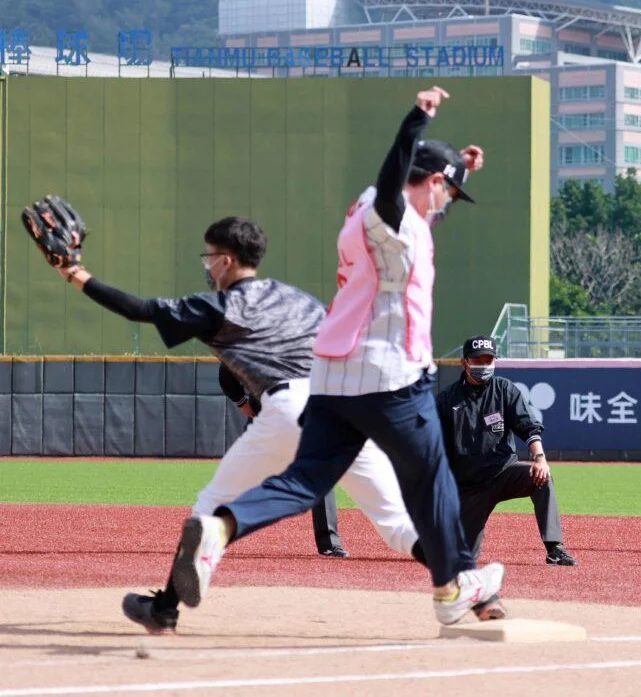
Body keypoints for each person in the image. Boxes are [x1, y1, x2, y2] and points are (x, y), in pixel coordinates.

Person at [157, 86, 505, 626]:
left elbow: (403, 187)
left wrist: (456, 164)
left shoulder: (364, 206)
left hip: (333, 376)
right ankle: (452, 589)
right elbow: (398, 186)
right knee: (432, 480)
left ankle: (221, 527)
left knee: (303, 482)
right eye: (449, 193)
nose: (448, 206)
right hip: (391, 374)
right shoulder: (392, 216)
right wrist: (416, 120)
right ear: (431, 181)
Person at [49, 214, 419, 634]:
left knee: (211, 507)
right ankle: (466, 584)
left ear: (226, 260)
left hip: (290, 407)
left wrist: (74, 272)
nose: (207, 265)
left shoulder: (218, 306)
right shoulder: (296, 299)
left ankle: (166, 608)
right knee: (397, 523)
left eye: (210, 256)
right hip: (345, 407)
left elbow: (140, 310)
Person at [437, 335, 576, 568]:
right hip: (468, 486)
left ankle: (555, 548)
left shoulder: (504, 389)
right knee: (463, 556)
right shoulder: (446, 400)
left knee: (541, 478)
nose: (484, 365)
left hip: (503, 473)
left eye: (489, 360)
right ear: (464, 362)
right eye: (477, 360)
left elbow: (528, 427)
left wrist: (540, 458)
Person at [218, 364, 348, 557]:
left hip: (277, 412)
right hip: (289, 413)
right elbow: (226, 373)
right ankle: (329, 543)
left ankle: (210, 530)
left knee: (240, 476)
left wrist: (242, 402)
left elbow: (226, 374)